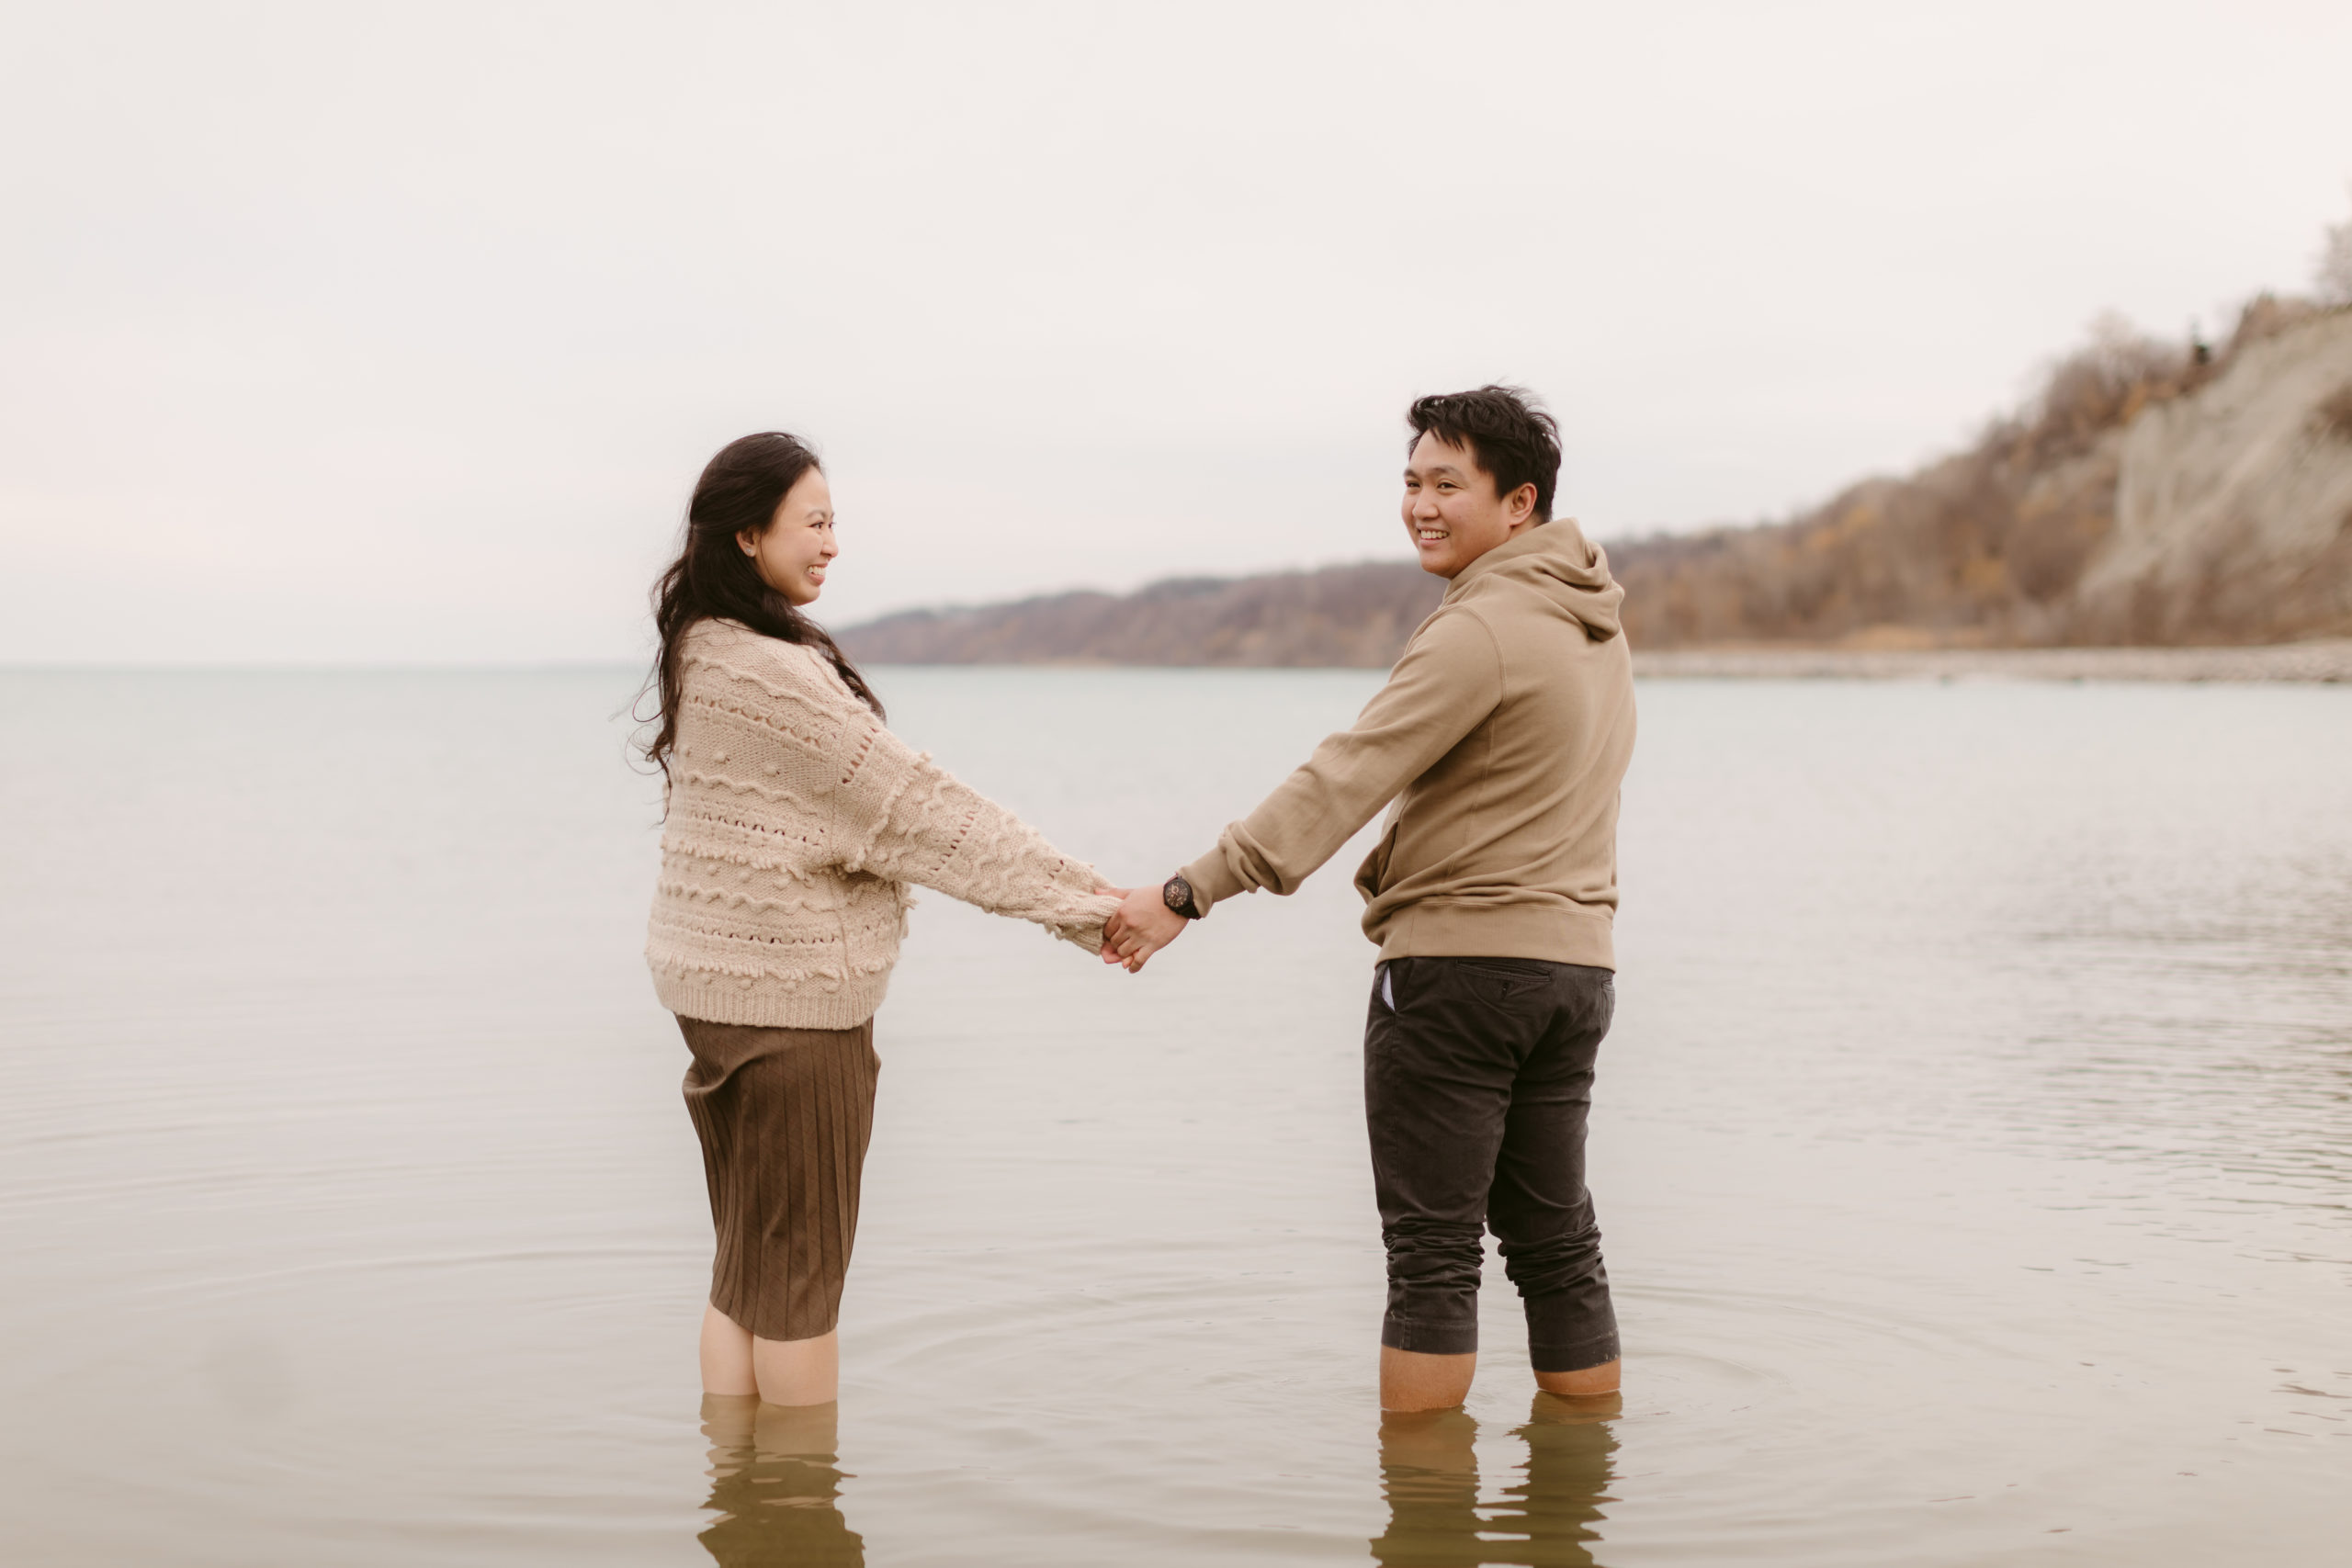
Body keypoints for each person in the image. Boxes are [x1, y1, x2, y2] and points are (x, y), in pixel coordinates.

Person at [1103, 386, 1637, 1414]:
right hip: (1576, 975)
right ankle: (1576, 1504)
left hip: (1459, 978)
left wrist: (1187, 892)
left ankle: (1425, 1521)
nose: (1419, 505)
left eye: (1447, 484)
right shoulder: (1596, 628)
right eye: (1410, 482)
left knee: (1431, 1259)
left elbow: (1344, 778)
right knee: (1557, 1244)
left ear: (1518, 503)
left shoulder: (1478, 627)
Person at [640, 432, 1124, 1407]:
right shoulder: (772, 674)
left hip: (718, 1001)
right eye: (812, 523)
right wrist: (1094, 905)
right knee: (800, 1291)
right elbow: (918, 813)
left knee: (745, 1275)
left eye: (834, 524)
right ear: (747, 534)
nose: (830, 545)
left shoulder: (703, 647)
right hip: (791, 1012)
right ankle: (800, 1518)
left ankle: (742, 1505)